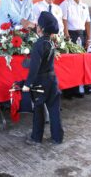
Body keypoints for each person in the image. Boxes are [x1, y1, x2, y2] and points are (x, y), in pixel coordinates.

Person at [22, 11, 64, 145]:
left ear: (41, 28)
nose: (36, 26)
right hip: (53, 80)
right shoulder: (50, 42)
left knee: (39, 109)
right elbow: (45, 60)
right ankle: (57, 137)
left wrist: (27, 84)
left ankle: (36, 137)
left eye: (38, 25)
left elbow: (35, 67)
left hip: (41, 83)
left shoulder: (38, 44)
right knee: (54, 110)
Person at [60, 0, 91, 97]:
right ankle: (68, 91)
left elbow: (88, 22)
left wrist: (89, 38)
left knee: (80, 63)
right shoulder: (65, 4)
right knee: (70, 64)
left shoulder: (84, 6)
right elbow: (63, 20)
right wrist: (66, 35)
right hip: (70, 35)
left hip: (82, 34)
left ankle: (78, 88)